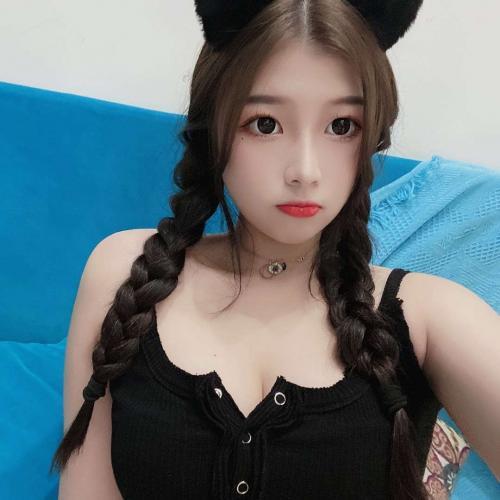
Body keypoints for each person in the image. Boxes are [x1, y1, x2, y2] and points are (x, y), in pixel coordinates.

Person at [50, 1, 500, 499]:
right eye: (265, 124)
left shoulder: (429, 317)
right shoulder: (125, 272)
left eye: (341, 126)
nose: (305, 170)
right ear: (214, 128)